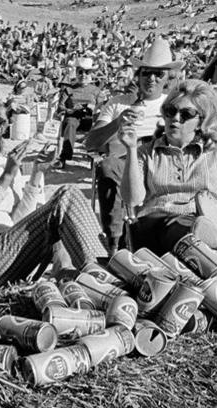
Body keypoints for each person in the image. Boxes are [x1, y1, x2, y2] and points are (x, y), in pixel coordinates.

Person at [0, 88, 107, 289]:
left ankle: (94, 281)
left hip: (9, 253)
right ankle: (102, 279)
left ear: (2, 128)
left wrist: (37, 174)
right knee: (67, 195)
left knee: (64, 212)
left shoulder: (4, 162)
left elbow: (19, 221)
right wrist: (5, 179)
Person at [120, 80, 217, 253]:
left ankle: (203, 241)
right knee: (178, 227)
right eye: (170, 111)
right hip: (156, 225)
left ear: (201, 121)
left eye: (186, 114)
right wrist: (130, 148)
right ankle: (203, 242)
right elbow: (133, 200)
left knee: (199, 227)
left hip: (206, 219)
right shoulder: (146, 151)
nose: (175, 118)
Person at [85, 38, 184, 252]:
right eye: (147, 72)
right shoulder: (117, 103)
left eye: (159, 74)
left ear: (167, 78)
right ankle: (115, 243)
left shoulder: (173, 105)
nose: (152, 78)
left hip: (159, 163)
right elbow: (91, 143)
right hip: (123, 162)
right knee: (108, 165)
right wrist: (117, 123)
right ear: (138, 75)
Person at [55, 56, 101, 168]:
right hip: (73, 116)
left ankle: (93, 157)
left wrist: (93, 107)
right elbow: (60, 107)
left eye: (87, 72)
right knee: (70, 123)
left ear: (91, 74)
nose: (83, 75)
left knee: (98, 126)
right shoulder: (69, 89)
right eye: (80, 72)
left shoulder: (96, 90)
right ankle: (64, 156)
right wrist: (71, 109)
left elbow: (102, 107)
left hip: (90, 117)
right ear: (76, 73)